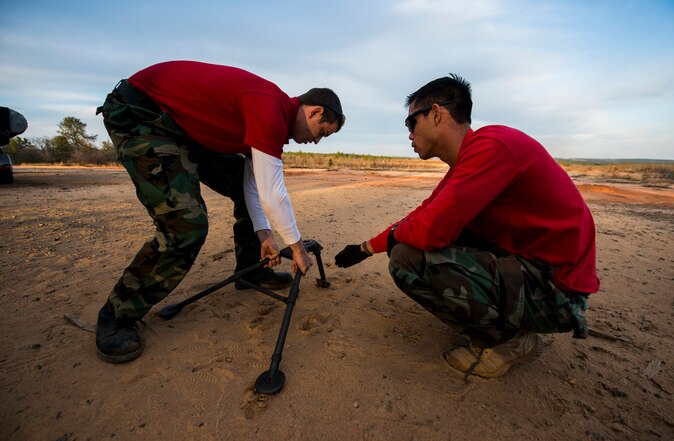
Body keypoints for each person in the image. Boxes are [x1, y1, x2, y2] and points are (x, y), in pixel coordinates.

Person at [335, 74, 598, 379]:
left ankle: (509, 343)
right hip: (539, 273)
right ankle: (508, 323)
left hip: (558, 293)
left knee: (407, 259)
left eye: (410, 123)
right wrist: (365, 248)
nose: (408, 135)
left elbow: (430, 229)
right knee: (428, 237)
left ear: (436, 113)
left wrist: (393, 239)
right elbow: (421, 214)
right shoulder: (473, 157)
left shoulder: (493, 146)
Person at [95, 60, 345, 363]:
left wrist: (265, 234)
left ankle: (250, 271)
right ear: (314, 111)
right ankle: (117, 315)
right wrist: (297, 247)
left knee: (239, 179)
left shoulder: (272, 117)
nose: (316, 141)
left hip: (184, 129)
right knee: (185, 226)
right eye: (322, 132)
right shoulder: (270, 108)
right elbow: (272, 195)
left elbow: (252, 185)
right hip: (144, 115)